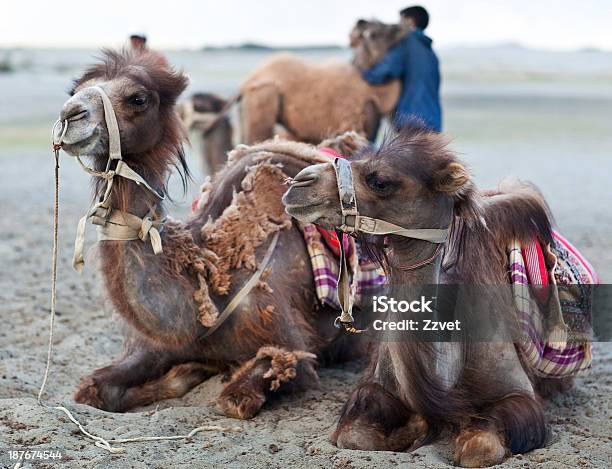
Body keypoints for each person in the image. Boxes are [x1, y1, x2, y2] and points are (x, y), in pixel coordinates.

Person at [362, 6, 441, 132]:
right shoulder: (431, 53)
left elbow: (385, 71)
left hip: (411, 120)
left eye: (401, 21)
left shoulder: (406, 43)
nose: (398, 26)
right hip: (434, 123)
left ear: (410, 22)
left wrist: (363, 74)